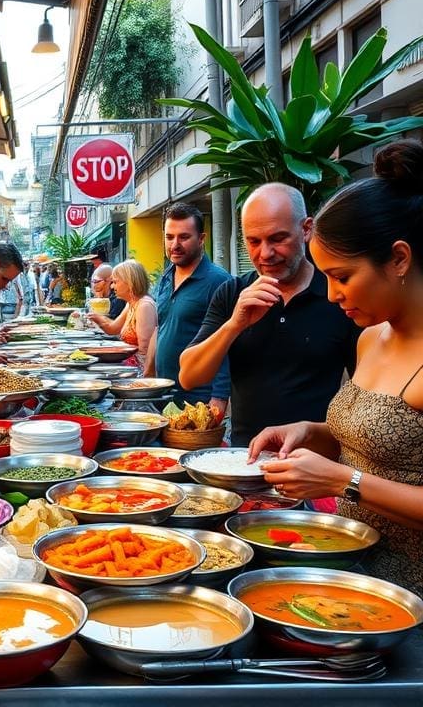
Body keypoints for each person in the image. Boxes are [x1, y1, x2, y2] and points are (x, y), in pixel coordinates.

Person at [248, 141, 423, 594]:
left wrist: (345, 481)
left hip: (408, 592)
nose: (331, 294)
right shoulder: (370, 339)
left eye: (342, 277)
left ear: (399, 259)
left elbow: (359, 471)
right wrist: (311, 432)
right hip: (349, 571)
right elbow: (378, 444)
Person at [178, 183, 359, 446]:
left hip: (313, 465)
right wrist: (235, 324)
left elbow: (367, 394)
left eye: (278, 239)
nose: (265, 253)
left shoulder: (336, 294)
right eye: (253, 241)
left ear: (306, 229)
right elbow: (189, 376)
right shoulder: (234, 293)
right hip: (243, 461)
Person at [146, 203, 231, 416]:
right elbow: (162, 327)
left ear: (201, 239)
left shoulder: (219, 281)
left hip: (199, 400)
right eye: (169, 237)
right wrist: (147, 375)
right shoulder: (165, 277)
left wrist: (219, 398)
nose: (175, 244)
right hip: (163, 394)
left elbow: (229, 343)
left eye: (184, 237)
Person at [87, 260, 157, 366]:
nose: (112, 287)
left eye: (115, 282)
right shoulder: (132, 303)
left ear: (129, 282)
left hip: (138, 369)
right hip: (129, 364)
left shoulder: (144, 306)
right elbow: (112, 328)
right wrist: (95, 317)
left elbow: (146, 352)